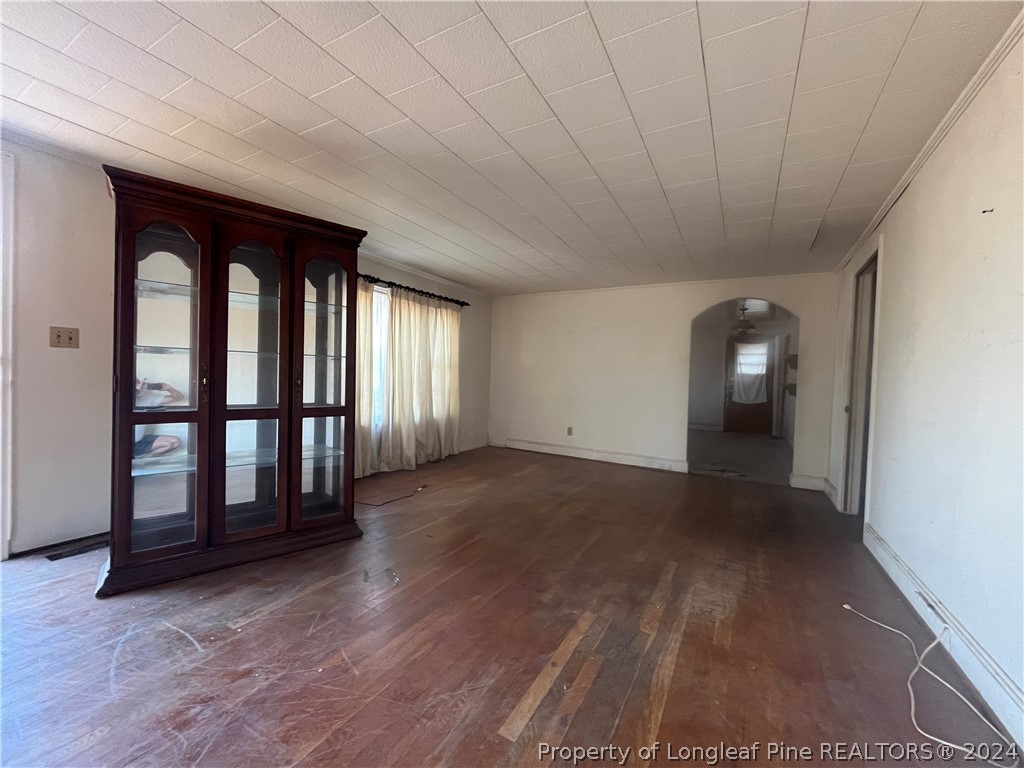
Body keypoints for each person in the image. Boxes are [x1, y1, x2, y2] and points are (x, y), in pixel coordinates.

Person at [134, 379, 185, 458]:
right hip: (125, 443)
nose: (139, 387)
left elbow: (178, 397)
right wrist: (136, 391)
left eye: (139, 384)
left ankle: (144, 460)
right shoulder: (121, 400)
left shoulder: (146, 399)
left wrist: (168, 388)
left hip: (140, 442)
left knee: (175, 442)